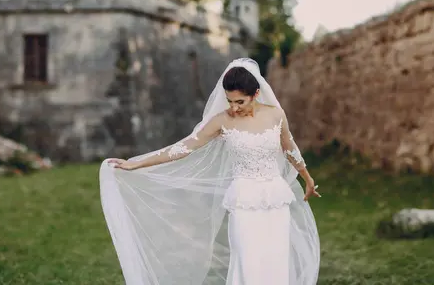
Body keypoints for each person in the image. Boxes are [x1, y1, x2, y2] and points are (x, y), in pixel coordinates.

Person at [100, 57, 321, 285]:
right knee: (248, 259)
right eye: (229, 101)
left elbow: (289, 147)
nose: (233, 108)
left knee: (275, 259)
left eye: (240, 102)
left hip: (275, 198)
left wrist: (307, 177)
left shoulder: (276, 114)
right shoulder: (221, 120)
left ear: (255, 94)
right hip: (243, 199)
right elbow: (184, 147)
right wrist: (137, 163)